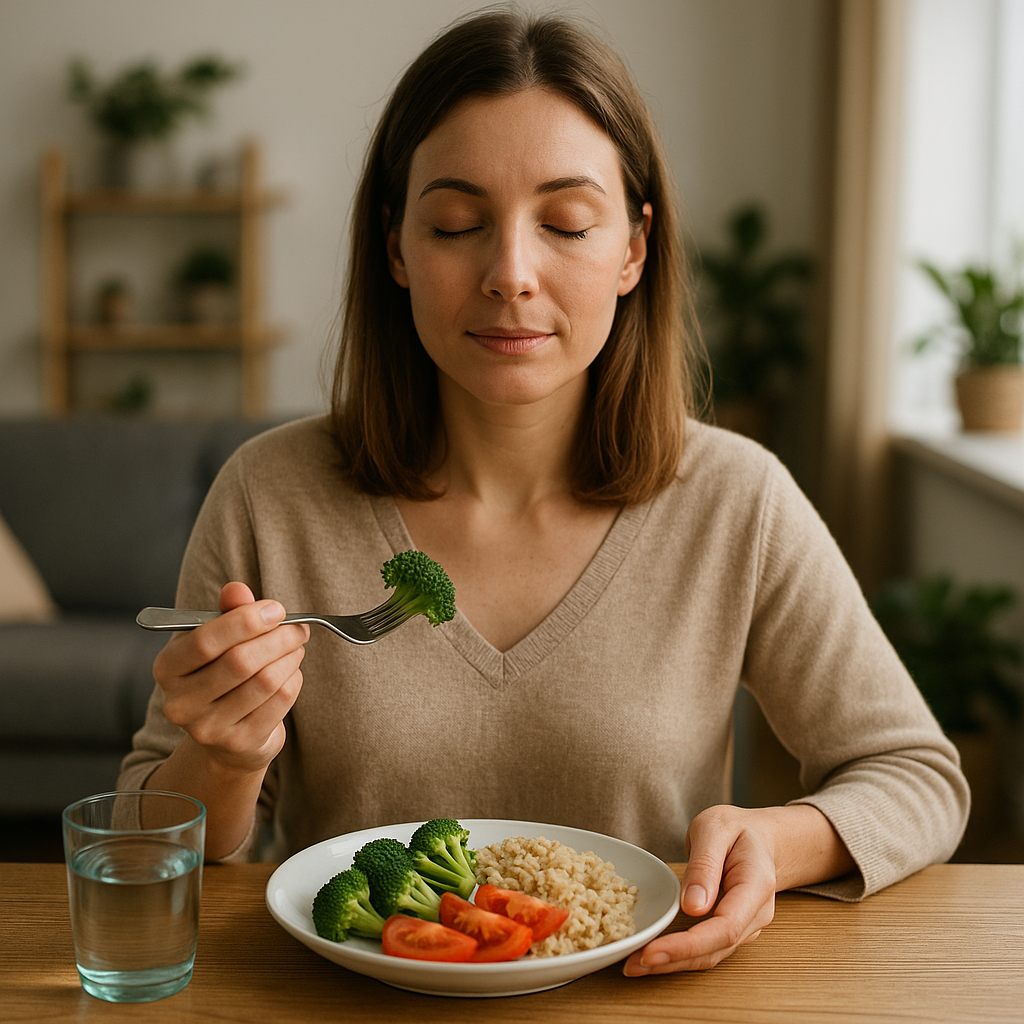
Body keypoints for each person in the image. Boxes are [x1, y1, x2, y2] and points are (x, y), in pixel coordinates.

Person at [119, 8, 969, 976]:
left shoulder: (736, 497)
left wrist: (780, 841)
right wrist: (224, 757)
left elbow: (916, 775)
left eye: (565, 223)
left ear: (633, 250)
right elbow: (153, 836)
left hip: (640, 995)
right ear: (396, 245)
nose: (511, 274)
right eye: (455, 224)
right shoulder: (272, 491)